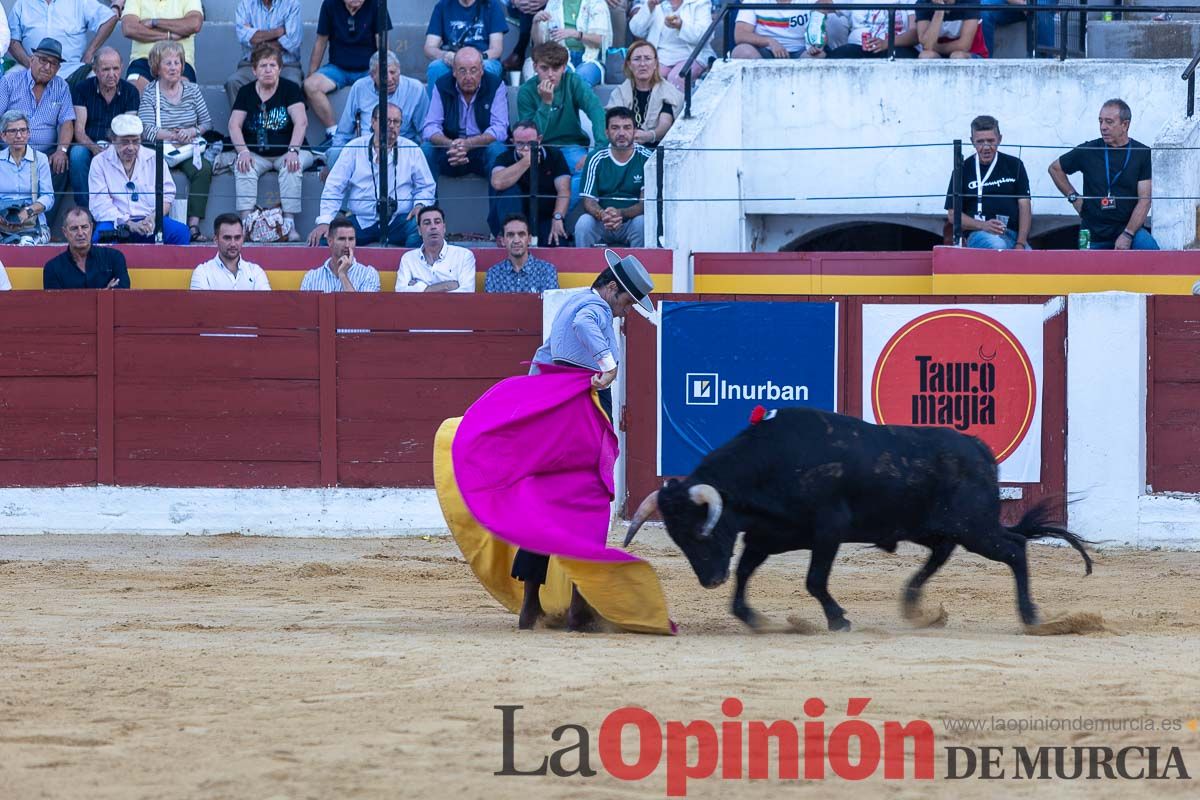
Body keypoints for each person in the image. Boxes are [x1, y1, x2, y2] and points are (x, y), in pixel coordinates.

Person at [514, 249, 656, 629]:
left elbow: (541, 356)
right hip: (583, 407)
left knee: (544, 501)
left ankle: (531, 606)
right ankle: (578, 606)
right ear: (611, 288)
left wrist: (535, 405)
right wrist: (609, 365)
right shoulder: (592, 308)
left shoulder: (570, 303)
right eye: (627, 302)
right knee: (589, 501)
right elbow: (586, 324)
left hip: (554, 409)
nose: (627, 311)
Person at [309, 103, 435, 248]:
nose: (392, 126)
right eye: (386, 121)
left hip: (398, 220)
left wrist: (420, 206)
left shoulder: (412, 149)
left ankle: (412, 267)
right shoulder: (354, 147)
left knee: (420, 227)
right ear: (373, 122)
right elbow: (334, 186)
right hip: (362, 221)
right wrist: (325, 221)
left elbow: (426, 186)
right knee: (325, 238)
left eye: (396, 122)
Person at [1049, 98, 1158, 251]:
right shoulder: (1088, 150)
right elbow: (1055, 169)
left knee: (1153, 252)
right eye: (1100, 121)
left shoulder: (1142, 153)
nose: (1103, 127)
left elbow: (1145, 200)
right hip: (1090, 231)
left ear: (1125, 125)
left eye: (1109, 122)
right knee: (1084, 270)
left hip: (1127, 228)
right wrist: (1073, 197)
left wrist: (1128, 234)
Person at [229, 42, 311, 241]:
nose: (268, 70)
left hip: (290, 151)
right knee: (243, 166)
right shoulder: (246, 92)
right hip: (257, 154)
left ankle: (289, 226)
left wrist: (293, 150)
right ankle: (247, 226)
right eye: (263, 66)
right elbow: (234, 125)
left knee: (293, 166)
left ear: (280, 69)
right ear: (254, 70)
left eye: (273, 65)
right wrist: (243, 152)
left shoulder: (290, 89)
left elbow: (301, 122)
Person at [137, 39, 212, 242]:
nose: (174, 68)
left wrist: (191, 131)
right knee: (153, 172)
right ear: (157, 67)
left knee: (203, 168)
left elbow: (206, 122)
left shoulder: (193, 90)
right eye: (168, 63)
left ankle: (193, 226)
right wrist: (172, 135)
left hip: (187, 148)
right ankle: (158, 223)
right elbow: (145, 130)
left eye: (177, 62)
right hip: (161, 148)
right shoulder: (151, 92)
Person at [517, 42, 607, 205]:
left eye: (556, 68)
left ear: (564, 67)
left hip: (570, 145)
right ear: (535, 67)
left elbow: (596, 110)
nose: (550, 74)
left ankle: (557, 217)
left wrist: (599, 149)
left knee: (588, 171)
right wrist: (546, 103)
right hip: (540, 149)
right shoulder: (526, 91)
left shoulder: (573, 81)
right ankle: (551, 217)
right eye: (544, 68)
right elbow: (530, 135)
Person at [89, 112, 190, 244]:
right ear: (113, 140)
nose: (131, 147)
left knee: (181, 232)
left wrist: (152, 217)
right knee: (100, 238)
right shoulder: (99, 162)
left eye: (135, 141)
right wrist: (129, 223)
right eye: (125, 142)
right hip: (116, 222)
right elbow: (100, 205)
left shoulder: (154, 158)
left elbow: (167, 195)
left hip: (150, 220)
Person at [305, 0, 393, 148]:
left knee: (381, 85)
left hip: (368, 69)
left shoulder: (377, 4)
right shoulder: (330, 4)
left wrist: (383, 71)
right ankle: (333, 133)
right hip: (337, 68)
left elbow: (382, 44)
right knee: (310, 85)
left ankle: (370, 136)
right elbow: (321, 42)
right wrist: (311, 74)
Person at [0, 38, 75, 201]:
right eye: (43, 60)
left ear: (58, 68)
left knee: (61, 164)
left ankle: (42, 223)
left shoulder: (61, 87)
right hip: (10, 150)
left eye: (53, 63)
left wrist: (61, 151)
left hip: (44, 155)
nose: (47, 67)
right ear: (32, 59)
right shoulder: (10, 81)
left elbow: (67, 122)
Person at [420, 47, 508, 184]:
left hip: (481, 149)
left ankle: (499, 205)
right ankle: (428, 204)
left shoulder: (495, 85)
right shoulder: (442, 85)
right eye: (462, 70)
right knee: (426, 149)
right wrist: (451, 144)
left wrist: (469, 144)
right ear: (454, 71)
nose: (468, 77)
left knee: (497, 150)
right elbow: (430, 126)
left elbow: (500, 128)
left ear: (482, 70)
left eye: (473, 70)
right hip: (450, 149)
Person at [328, 50, 428, 167]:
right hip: (366, 151)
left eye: (393, 72)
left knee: (427, 150)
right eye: (384, 74)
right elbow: (344, 133)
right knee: (335, 154)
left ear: (399, 69)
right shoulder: (360, 88)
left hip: (401, 151)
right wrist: (331, 162)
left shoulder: (415, 89)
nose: (390, 79)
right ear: (372, 75)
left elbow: (424, 131)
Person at [944, 115, 1031, 250]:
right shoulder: (962, 170)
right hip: (980, 234)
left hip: (1012, 235)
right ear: (972, 141)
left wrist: (1020, 243)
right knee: (998, 246)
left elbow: (1025, 206)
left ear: (1000, 139)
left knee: (1030, 259)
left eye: (991, 141)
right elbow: (952, 214)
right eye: (980, 141)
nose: (986, 147)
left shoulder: (1015, 165)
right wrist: (983, 225)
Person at [70, 47, 140, 209]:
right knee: (77, 155)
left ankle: (122, 210)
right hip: (89, 144)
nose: (111, 74)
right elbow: (79, 131)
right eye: (106, 69)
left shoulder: (130, 92)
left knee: (132, 151)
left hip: (119, 144)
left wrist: (114, 148)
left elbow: (129, 131)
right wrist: (95, 149)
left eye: (115, 68)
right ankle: (86, 211)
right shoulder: (82, 88)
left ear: (121, 68)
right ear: (95, 70)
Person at [576, 106, 650, 248]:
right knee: (584, 223)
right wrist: (603, 215)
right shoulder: (595, 157)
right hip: (602, 221)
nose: (621, 133)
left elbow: (644, 204)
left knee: (643, 223)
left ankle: (639, 268)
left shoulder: (646, 158)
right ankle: (583, 269)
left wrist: (621, 214)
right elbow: (589, 201)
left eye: (627, 127)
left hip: (631, 222)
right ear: (607, 133)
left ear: (635, 131)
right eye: (615, 128)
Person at [488, 119, 570, 244]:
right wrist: (527, 162)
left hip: (545, 218)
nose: (526, 148)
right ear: (513, 142)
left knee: (558, 240)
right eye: (520, 143)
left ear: (539, 139)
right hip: (512, 221)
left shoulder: (554, 155)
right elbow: (497, 182)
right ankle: (507, 234)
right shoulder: (504, 158)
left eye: (530, 143)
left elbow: (564, 189)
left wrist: (558, 217)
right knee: (509, 190)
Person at [7, 0, 119, 85]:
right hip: (31, 66)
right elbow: (12, 40)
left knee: (95, 80)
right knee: (8, 78)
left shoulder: (79, 2)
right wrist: (30, 64)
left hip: (72, 68)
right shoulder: (23, 3)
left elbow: (109, 18)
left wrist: (90, 52)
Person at [225, 0, 303, 106]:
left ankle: (285, 123)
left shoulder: (292, 4)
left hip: (286, 65)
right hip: (252, 64)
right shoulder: (245, 4)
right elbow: (246, 37)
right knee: (234, 82)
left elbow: (292, 42)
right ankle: (242, 122)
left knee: (292, 83)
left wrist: (257, 39)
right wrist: (279, 32)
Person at [606, 40, 682, 148]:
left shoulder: (668, 92)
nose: (642, 64)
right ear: (629, 64)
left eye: (647, 59)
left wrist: (650, 135)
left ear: (655, 63)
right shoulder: (620, 93)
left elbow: (665, 123)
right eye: (637, 59)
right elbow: (613, 122)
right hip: (625, 148)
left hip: (656, 149)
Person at [628, 0, 716, 89]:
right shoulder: (654, 3)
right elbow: (636, 30)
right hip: (662, 55)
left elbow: (707, 35)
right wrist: (649, 7)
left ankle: (675, 103)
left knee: (676, 78)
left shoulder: (700, 2)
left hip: (692, 55)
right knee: (648, 77)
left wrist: (681, 26)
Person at [120, 0, 204, 91]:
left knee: (181, 93)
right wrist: (169, 36)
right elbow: (129, 28)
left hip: (178, 62)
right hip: (144, 60)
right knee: (133, 91)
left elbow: (194, 24)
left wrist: (154, 22)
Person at [0, 109, 54, 245]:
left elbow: (49, 197)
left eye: (23, 130)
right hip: (2, 220)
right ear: (3, 136)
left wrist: (28, 211)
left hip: (32, 223)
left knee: (27, 243)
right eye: (13, 131)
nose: (19, 135)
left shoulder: (40, 159)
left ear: (29, 134)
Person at [423, 0, 507, 88]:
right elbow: (429, 48)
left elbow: (496, 49)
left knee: (487, 68)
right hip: (452, 60)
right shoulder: (442, 6)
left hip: (484, 59)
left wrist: (476, 59)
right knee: (435, 68)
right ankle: (437, 102)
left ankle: (484, 102)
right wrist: (445, 55)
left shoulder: (492, 4)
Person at [43, 206, 131, 289]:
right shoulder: (53, 268)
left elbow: (122, 297)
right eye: (74, 228)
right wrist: (105, 293)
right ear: (65, 232)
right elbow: (56, 304)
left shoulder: (114, 258)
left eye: (84, 227)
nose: (80, 233)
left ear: (91, 228)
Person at [396, 206, 476, 293]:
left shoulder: (464, 255)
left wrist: (418, 287)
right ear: (419, 230)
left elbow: (467, 292)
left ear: (444, 228)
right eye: (427, 223)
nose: (433, 227)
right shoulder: (408, 258)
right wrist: (445, 286)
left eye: (437, 222)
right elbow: (400, 292)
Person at [531, 0, 611, 87]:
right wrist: (535, 23)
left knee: (580, 79)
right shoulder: (553, 3)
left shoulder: (597, 3)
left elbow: (600, 40)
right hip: (559, 58)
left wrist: (575, 34)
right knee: (557, 79)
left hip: (591, 59)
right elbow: (539, 44)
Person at [190, 213, 272, 291]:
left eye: (237, 238)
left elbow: (266, 304)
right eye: (227, 238)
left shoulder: (256, 272)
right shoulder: (202, 272)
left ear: (242, 239)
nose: (233, 244)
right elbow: (200, 306)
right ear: (216, 240)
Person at [299, 215, 381, 292]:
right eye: (342, 239)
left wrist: (343, 275)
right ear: (330, 241)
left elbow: (360, 307)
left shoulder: (368, 275)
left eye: (351, 239)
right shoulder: (311, 277)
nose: (347, 244)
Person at [485, 213, 560, 293]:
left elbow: (550, 304)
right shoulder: (494, 274)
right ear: (503, 241)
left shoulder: (546, 271)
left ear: (529, 239)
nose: (516, 240)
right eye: (510, 235)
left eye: (521, 234)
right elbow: (492, 305)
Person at [732, 0, 827, 59]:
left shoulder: (812, 1)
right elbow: (740, 35)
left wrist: (818, 44)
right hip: (765, 52)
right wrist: (769, 42)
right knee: (741, 51)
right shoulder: (753, 1)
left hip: (801, 51)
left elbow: (822, 32)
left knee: (819, 55)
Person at [828, 4, 920, 59]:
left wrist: (887, 43)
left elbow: (915, 34)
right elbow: (822, 6)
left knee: (902, 59)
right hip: (857, 47)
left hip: (895, 47)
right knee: (837, 57)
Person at [981, 0, 1056, 58]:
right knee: (984, 9)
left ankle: (1045, 63)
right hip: (1012, 2)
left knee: (1042, 7)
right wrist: (1022, 4)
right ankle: (984, 63)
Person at [915, 0, 987, 59]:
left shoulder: (970, 2)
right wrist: (939, 10)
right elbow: (927, 46)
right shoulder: (923, 3)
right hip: (939, 55)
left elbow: (964, 46)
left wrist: (935, 47)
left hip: (972, 53)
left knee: (957, 56)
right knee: (925, 56)